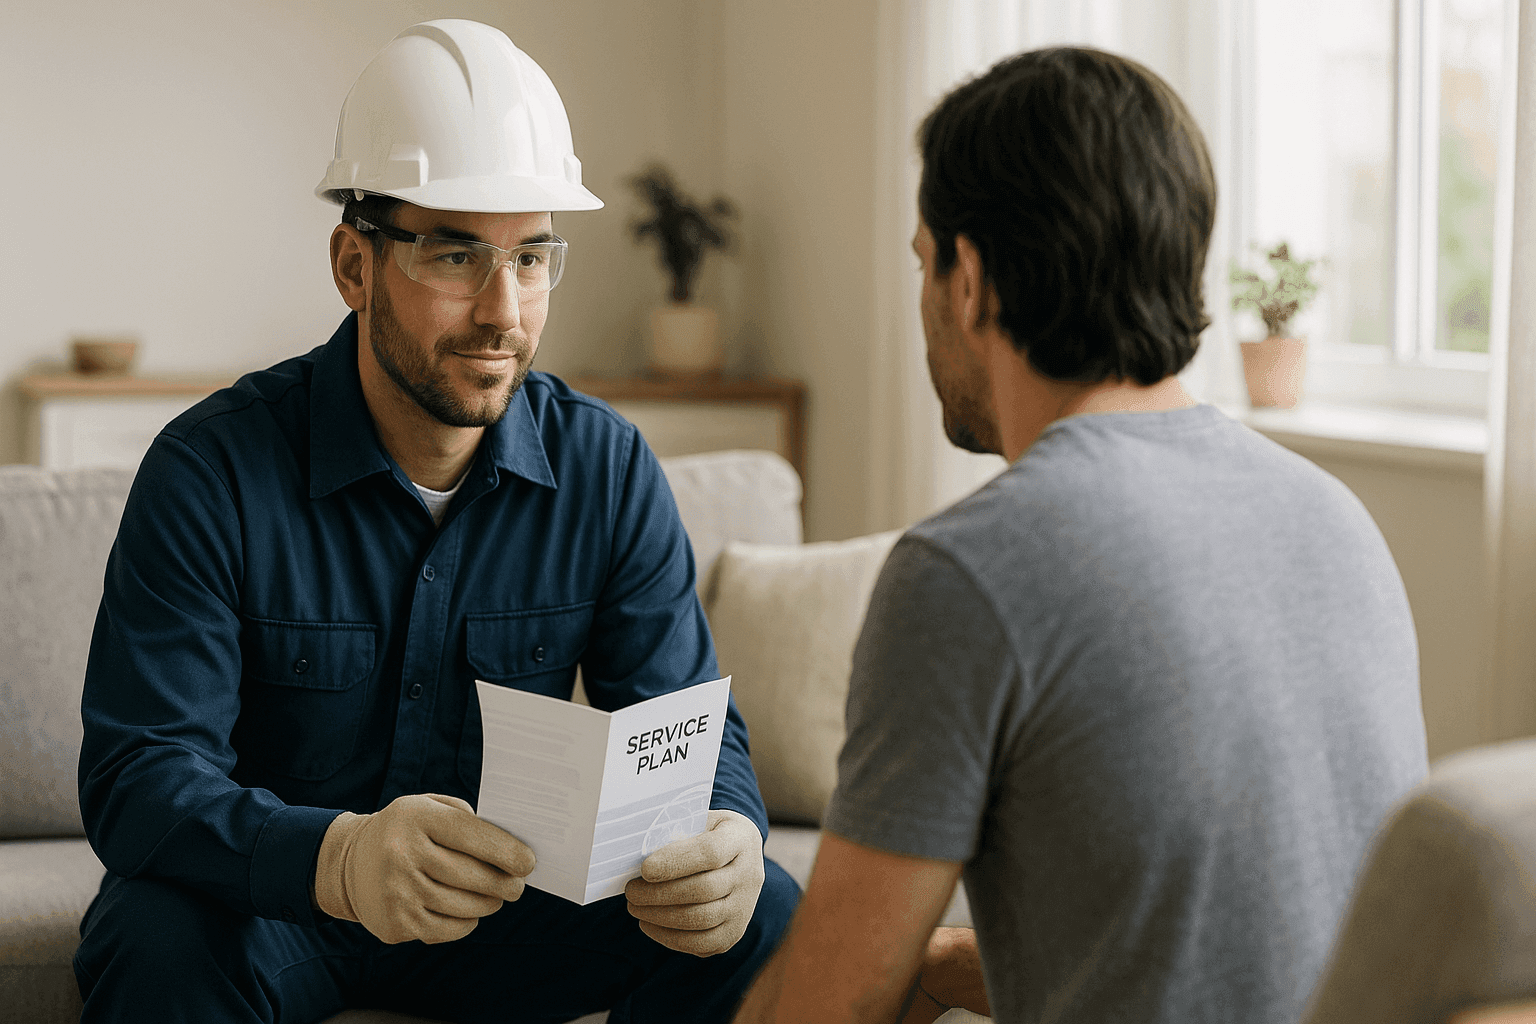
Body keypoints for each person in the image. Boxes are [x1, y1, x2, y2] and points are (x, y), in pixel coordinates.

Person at [74, 20, 796, 1024]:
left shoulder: (607, 468)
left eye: (531, 258)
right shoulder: (211, 472)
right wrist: (338, 859)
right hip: (281, 902)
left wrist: (730, 834)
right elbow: (139, 776)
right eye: (457, 255)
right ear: (353, 264)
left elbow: (688, 728)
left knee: (769, 919)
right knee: (150, 937)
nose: (503, 311)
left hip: (516, 913)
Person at [733, 47, 1427, 1024]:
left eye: (926, 264)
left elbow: (821, 1011)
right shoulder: (1336, 518)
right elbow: (1248, 949)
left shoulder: (970, 570)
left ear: (971, 280)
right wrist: (952, 961)